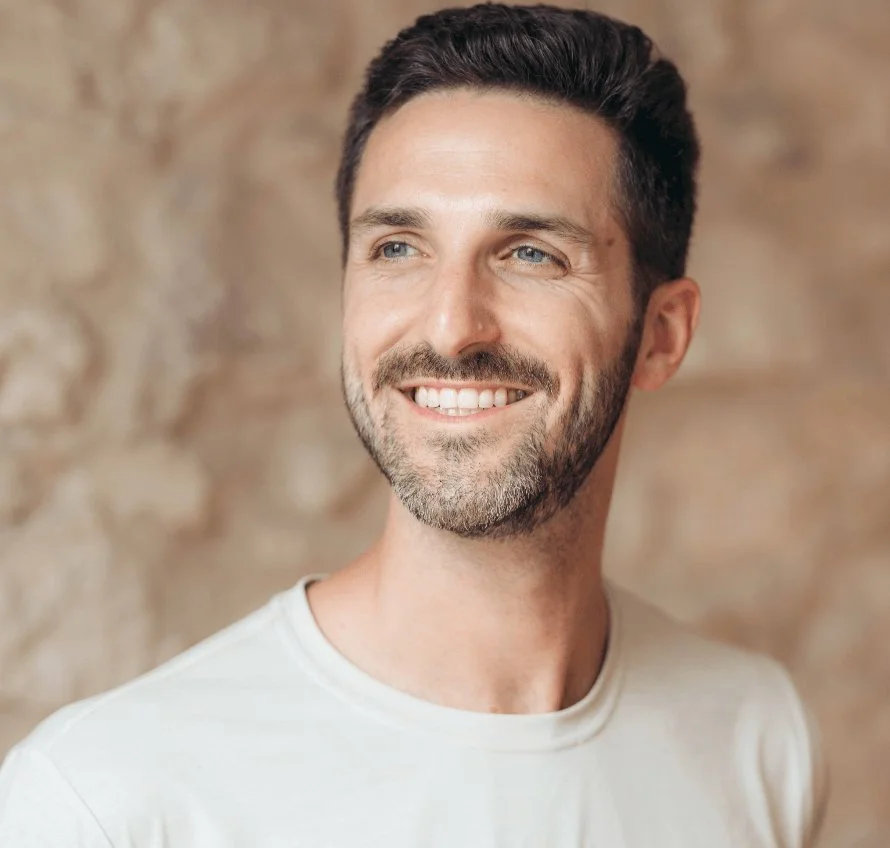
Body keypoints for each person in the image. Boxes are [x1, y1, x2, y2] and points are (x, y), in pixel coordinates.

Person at [0, 4, 828, 846]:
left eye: (530, 254)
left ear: (660, 336)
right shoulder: (105, 800)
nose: (450, 325)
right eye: (398, 247)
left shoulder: (757, 738)